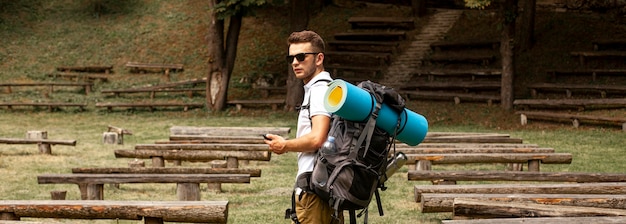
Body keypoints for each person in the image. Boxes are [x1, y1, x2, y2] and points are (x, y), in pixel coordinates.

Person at [264, 30, 342, 224]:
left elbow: (317, 138)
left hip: (315, 190)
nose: (295, 63)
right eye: (291, 58)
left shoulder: (319, 90)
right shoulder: (326, 87)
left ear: (319, 58)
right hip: (325, 187)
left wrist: (285, 145)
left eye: (301, 56)